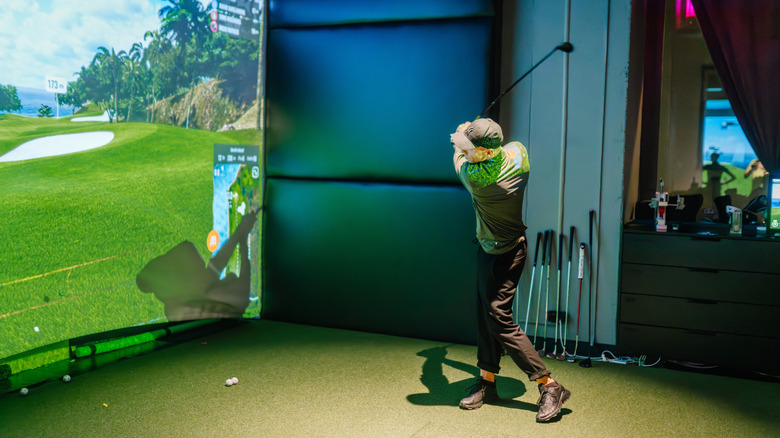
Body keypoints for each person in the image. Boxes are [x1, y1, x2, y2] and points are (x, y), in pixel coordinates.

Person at [450, 118, 571, 422]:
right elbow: (479, 148)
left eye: (470, 147)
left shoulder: (478, 180)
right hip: (495, 248)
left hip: (504, 254)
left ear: (486, 154)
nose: (462, 146)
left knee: (498, 317)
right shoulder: (517, 153)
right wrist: (470, 135)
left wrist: (459, 138)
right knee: (485, 314)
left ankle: (549, 384)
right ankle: (487, 382)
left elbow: (458, 155)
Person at [136, 209, 259, 321]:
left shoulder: (172, 305)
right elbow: (218, 263)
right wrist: (242, 233)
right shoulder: (189, 293)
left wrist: (242, 238)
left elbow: (217, 265)